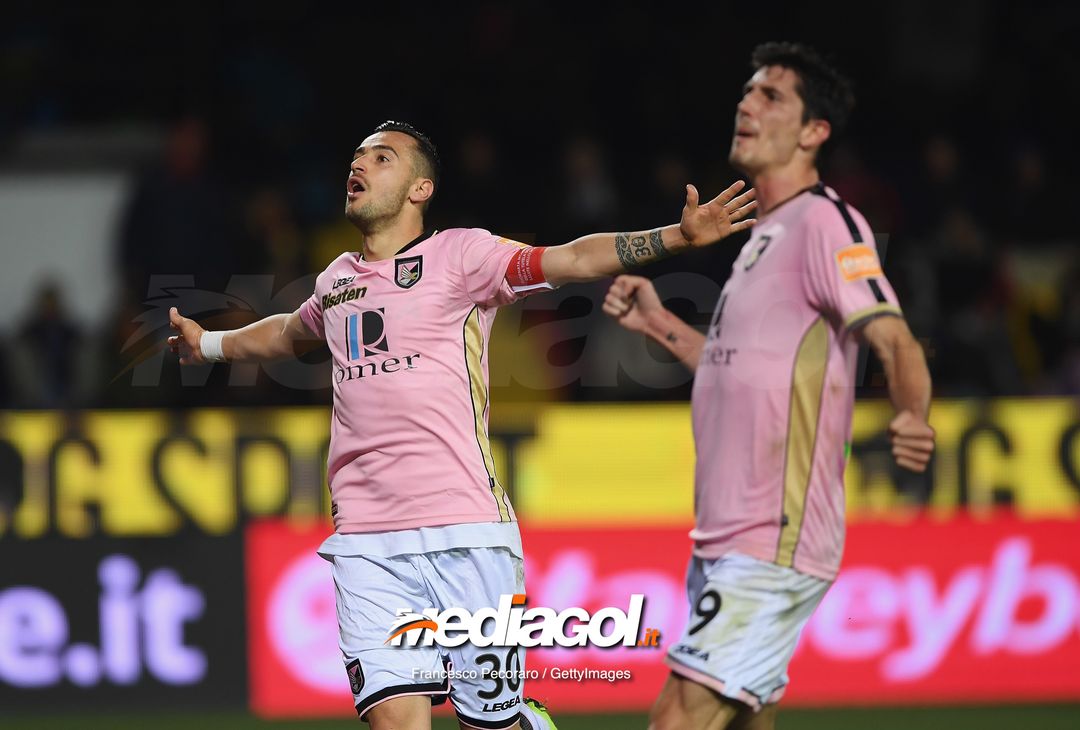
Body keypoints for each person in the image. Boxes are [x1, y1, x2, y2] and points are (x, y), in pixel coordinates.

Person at [167, 120, 757, 730]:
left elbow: (574, 257)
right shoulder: (336, 279)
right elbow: (289, 332)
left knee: (491, 724)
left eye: (382, 157)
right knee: (396, 721)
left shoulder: (462, 255)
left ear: (421, 189)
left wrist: (677, 238)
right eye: (357, 156)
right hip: (367, 543)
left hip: (466, 536)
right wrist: (210, 344)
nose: (359, 165)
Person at [603, 43, 935, 729]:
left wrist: (914, 413)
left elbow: (894, 336)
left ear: (815, 132)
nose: (746, 104)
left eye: (771, 96)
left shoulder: (826, 222)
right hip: (723, 537)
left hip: (773, 537)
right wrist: (661, 325)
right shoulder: (763, 237)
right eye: (746, 93)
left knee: (679, 718)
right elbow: (735, 366)